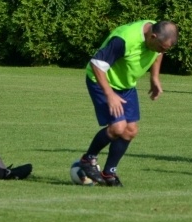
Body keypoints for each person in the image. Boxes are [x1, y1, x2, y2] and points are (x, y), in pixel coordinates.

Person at [76, 20, 179, 187]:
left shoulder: (156, 35)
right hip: (102, 81)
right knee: (117, 127)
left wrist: (154, 77)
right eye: (161, 46)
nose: (162, 51)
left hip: (126, 85)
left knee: (130, 130)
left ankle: (109, 173)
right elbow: (97, 64)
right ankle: (88, 159)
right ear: (153, 37)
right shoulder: (125, 39)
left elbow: (158, 53)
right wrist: (109, 94)